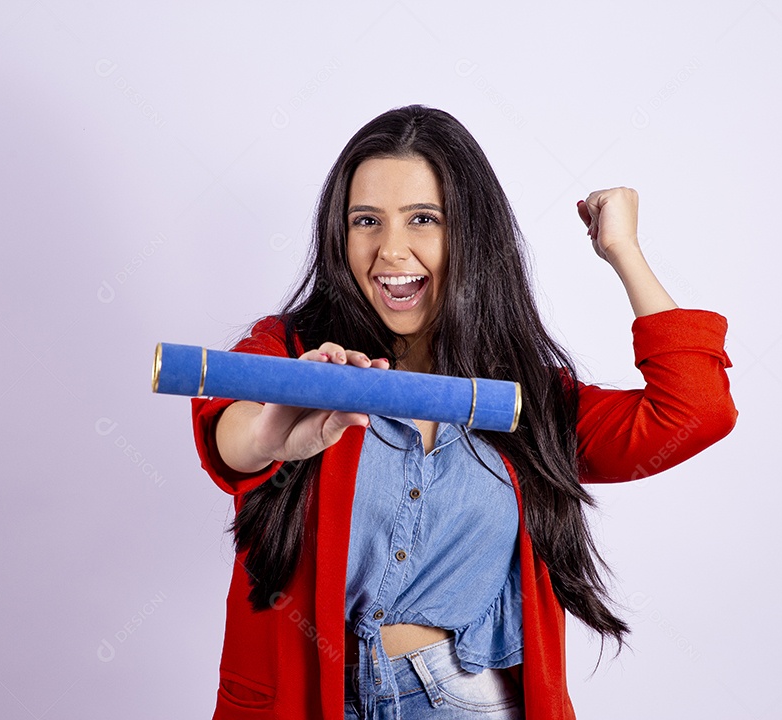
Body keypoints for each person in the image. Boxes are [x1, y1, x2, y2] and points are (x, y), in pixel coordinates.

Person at [190, 104, 738, 720]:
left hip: (463, 701)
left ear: (471, 235)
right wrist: (269, 434)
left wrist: (624, 251)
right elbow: (228, 434)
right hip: (307, 698)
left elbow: (694, 409)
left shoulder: (526, 402)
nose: (390, 250)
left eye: (423, 219)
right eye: (365, 220)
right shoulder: (300, 358)